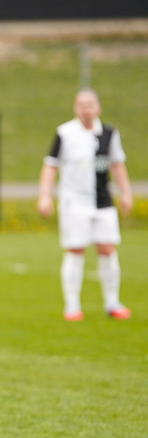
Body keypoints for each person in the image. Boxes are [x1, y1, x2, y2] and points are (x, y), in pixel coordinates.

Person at [37, 88, 132, 321]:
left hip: (102, 200)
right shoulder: (65, 133)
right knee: (75, 249)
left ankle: (112, 302)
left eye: (90, 104)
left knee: (108, 249)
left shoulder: (109, 133)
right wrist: (45, 195)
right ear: (75, 108)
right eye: (81, 104)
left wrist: (126, 193)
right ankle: (72, 305)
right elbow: (51, 165)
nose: (86, 108)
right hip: (74, 201)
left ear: (98, 107)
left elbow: (117, 164)